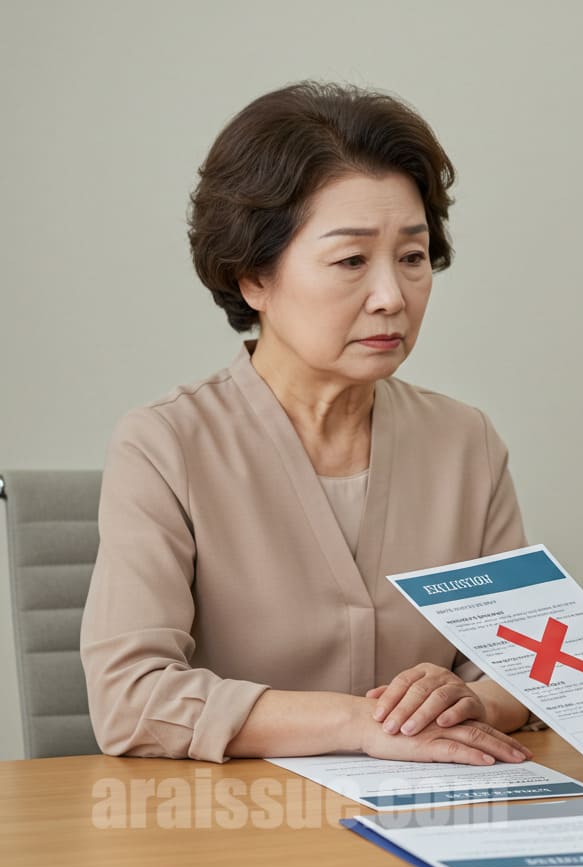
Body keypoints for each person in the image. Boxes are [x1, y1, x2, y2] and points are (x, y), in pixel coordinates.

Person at [81, 82, 532, 767]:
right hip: (239, 831)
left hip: (435, 817)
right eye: (351, 261)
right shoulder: (166, 444)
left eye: (411, 258)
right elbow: (132, 699)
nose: (391, 297)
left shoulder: (465, 442)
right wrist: (361, 723)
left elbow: (524, 668)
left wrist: (473, 701)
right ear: (251, 278)